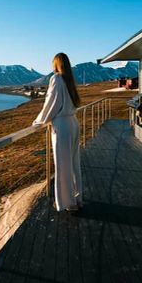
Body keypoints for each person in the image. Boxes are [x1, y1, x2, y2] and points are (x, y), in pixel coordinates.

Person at [32, 53, 82, 212]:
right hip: (73, 122)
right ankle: (77, 198)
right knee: (74, 163)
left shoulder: (57, 79)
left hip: (62, 126)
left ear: (56, 64)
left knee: (63, 165)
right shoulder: (69, 80)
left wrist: (39, 121)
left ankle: (68, 203)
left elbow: (51, 103)